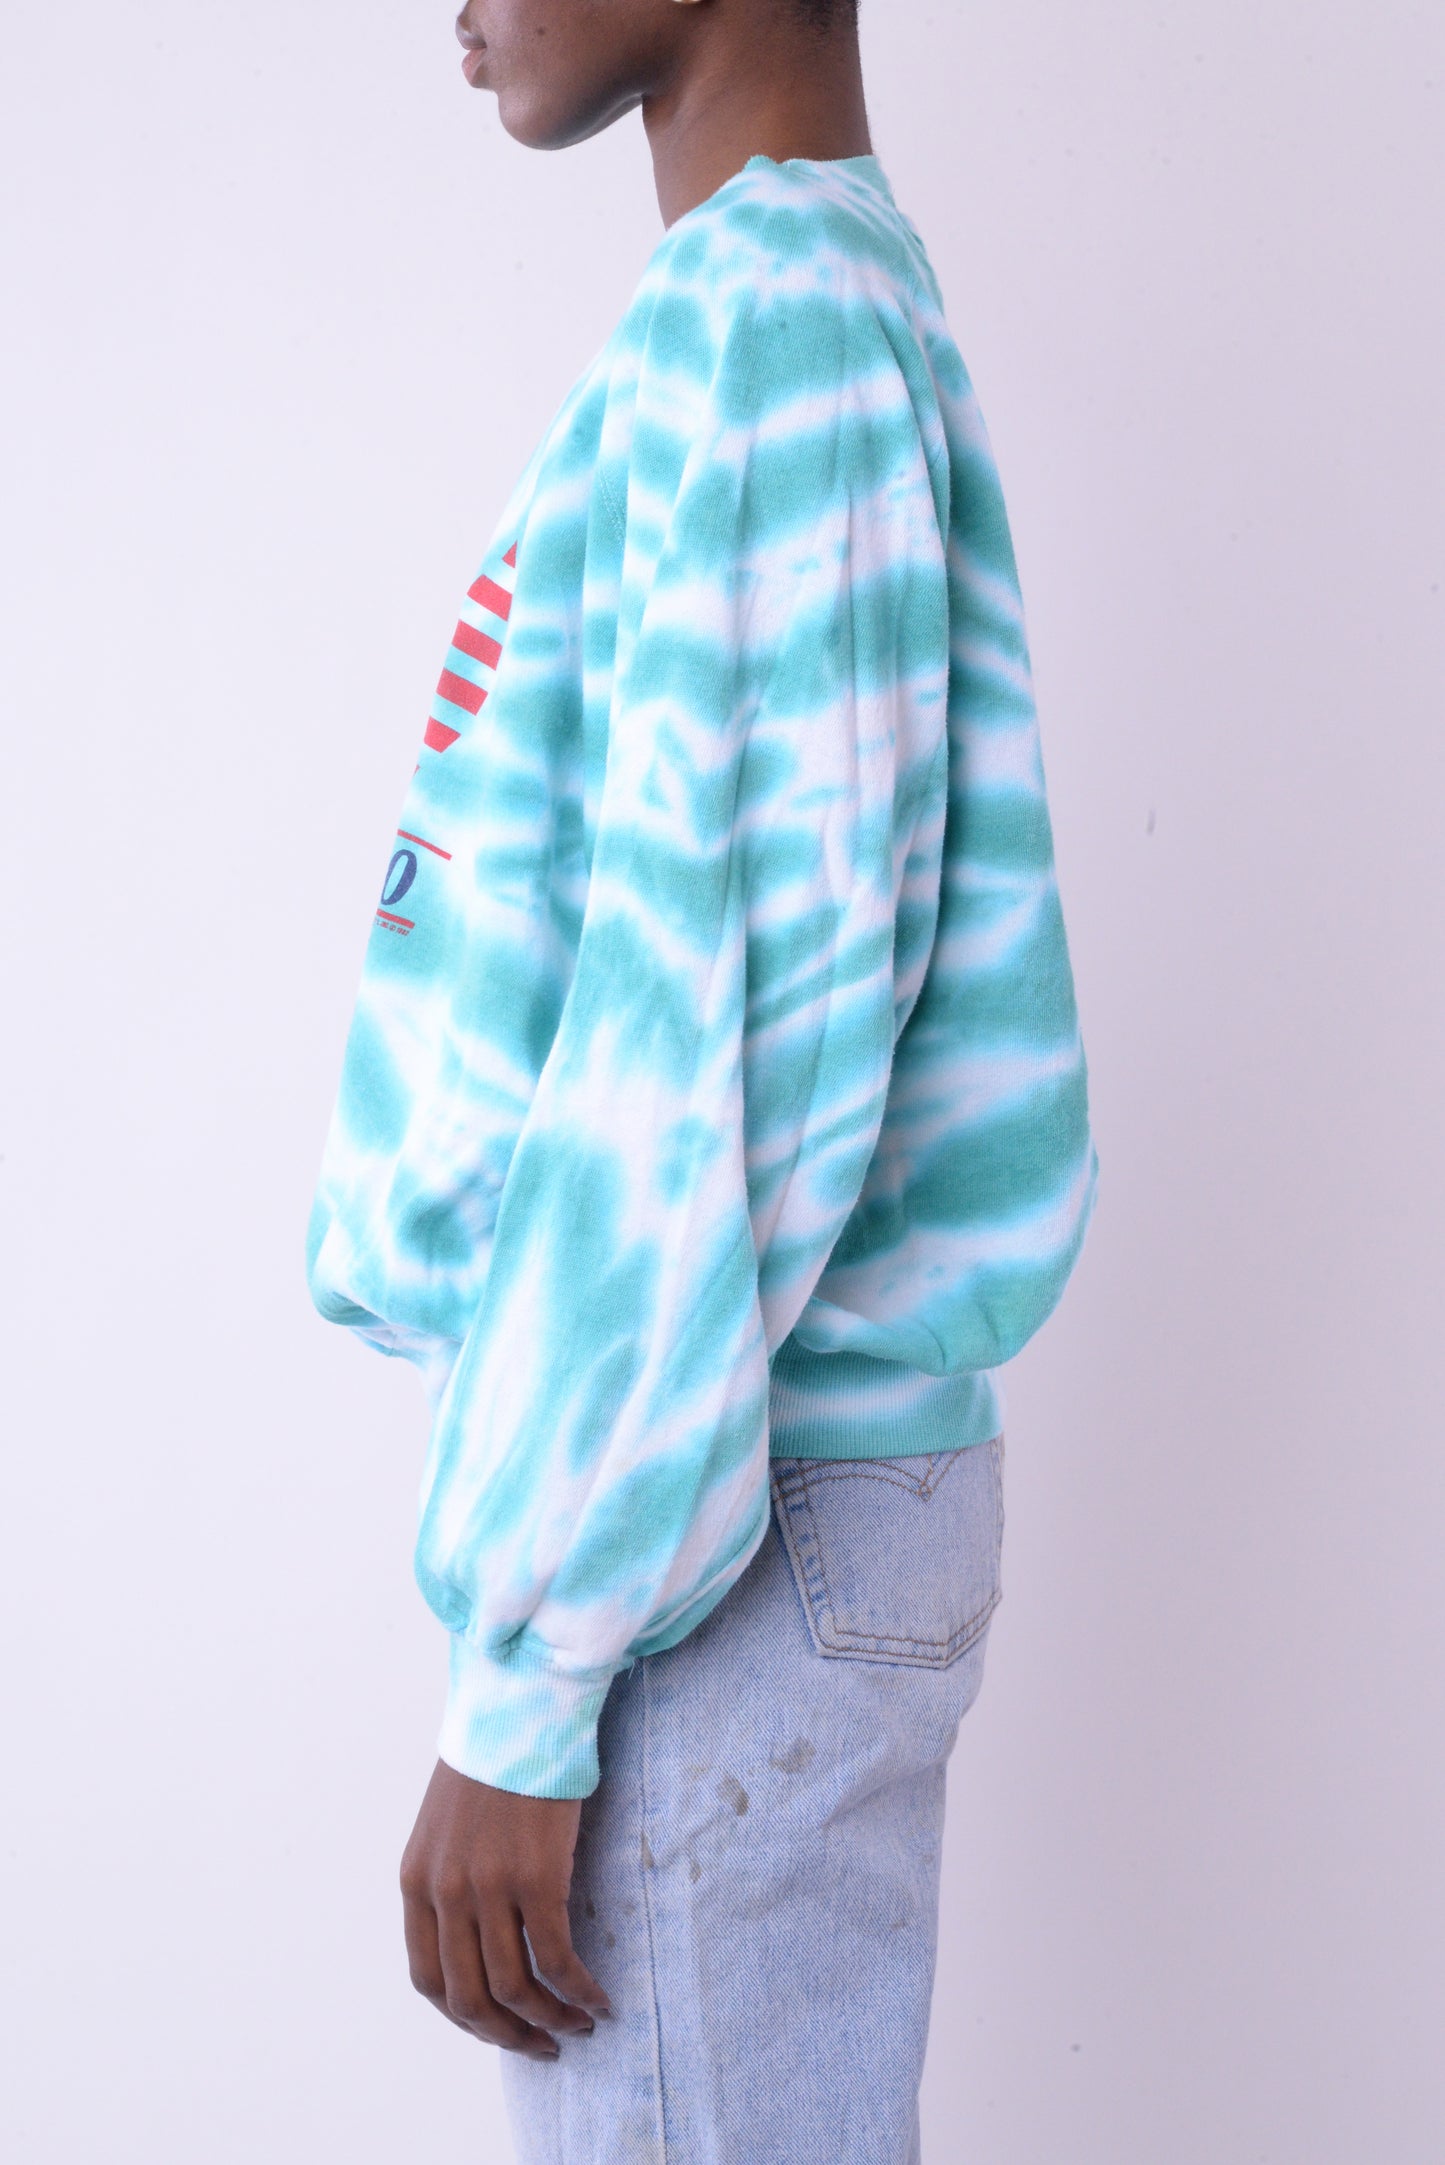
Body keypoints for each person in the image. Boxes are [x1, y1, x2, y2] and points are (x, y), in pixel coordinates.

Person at [306, 1, 1097, 2157]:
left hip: (707, 1530)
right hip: (715, 1495)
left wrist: (533, 1665)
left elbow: (709, 1048)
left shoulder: (778, 332)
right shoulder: (772, 311)